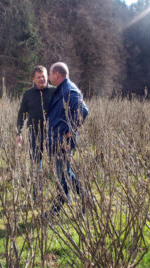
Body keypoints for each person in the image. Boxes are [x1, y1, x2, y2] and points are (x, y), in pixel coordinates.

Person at [46, 62, 89, 216]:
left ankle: (57, 207)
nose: (49, 77)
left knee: (63, 173)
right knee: (64, 173)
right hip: (56, 139)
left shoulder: (69, 90)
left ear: (57, 74)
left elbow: (83, 111)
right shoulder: (61, 90)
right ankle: (84, 198)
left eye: (50, 74)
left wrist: (71, 130)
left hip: (63, 141)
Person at [16, 65, 56, 199]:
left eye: (44, 76)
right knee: (36, 164)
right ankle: (37, 194)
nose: (42, 79)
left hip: (53, 133)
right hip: (35, 132)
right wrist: (19, 132)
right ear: (33, 79)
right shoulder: (28, 94)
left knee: (58, 164)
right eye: (38, 77)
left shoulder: (55, 91)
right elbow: (22, 113)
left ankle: (63, 194)